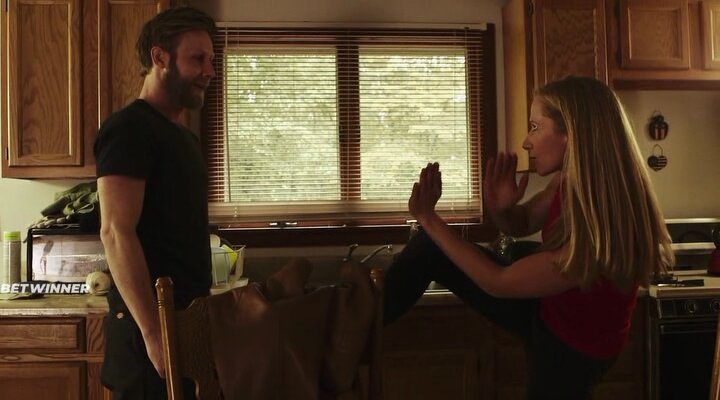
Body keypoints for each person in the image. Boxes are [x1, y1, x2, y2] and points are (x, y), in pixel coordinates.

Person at [383, 75, 674, 399]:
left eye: (535, 127)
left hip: (571, 350)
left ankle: (350, 330)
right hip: (553, 315)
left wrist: (427, 217)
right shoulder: (567, 182)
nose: (526, 142)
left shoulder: (604, 219)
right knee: (429, 248)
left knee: (433, 243)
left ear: (571, 134)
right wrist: (501, 209)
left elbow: (499, 282)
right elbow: (520, 223)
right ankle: (355, 327)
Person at [93, 6, 216, 399]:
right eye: (197, 58)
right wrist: (153, 334)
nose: (209, 70)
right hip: (150, 331)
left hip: (185, 323)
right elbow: (116, 232)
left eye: (211, 59)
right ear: (160, 57)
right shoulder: (129, 129)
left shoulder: (184, 139)